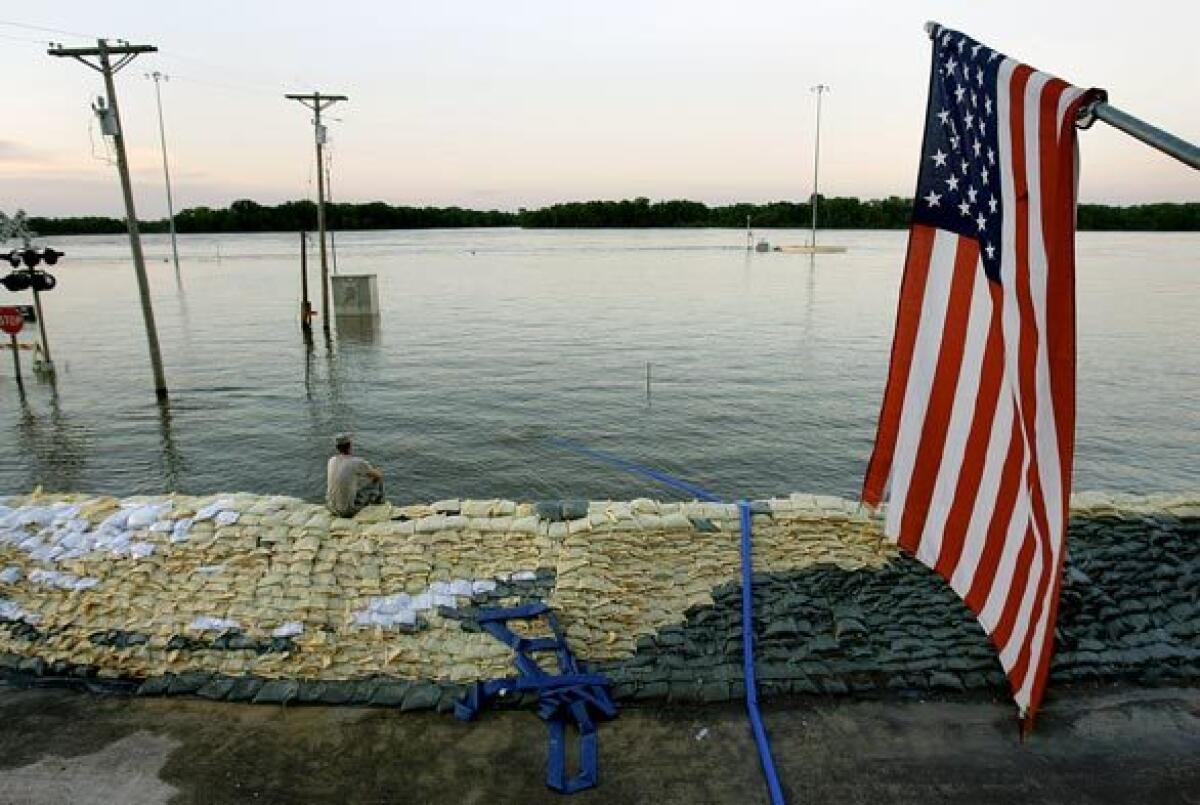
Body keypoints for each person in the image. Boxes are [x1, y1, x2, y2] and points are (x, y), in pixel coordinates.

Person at [326, 433, 385, 517]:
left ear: (337, 448)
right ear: (350, 446)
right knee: (377, 478)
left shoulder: (331, 460)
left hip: (330, 507)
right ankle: (380, 504)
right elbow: (378, 475)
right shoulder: (357, 462)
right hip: (346, 511)